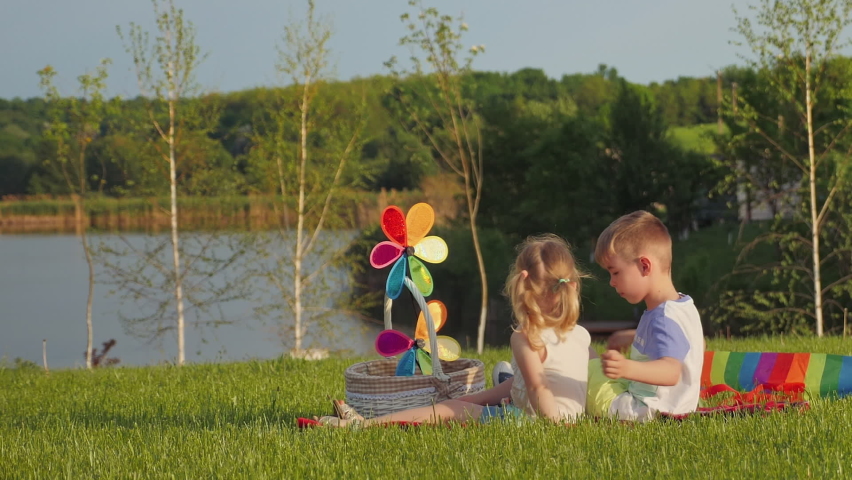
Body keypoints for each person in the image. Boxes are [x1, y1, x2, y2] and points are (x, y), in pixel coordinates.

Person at [319, 234, 591, 427]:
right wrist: (472, 399)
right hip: (566, 415)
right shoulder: (580, 334)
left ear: (522, 284)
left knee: (451, 410)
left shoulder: (525, 337)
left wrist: (556, 427)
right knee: (470, 402)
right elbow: (527, 384)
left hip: (538, 422)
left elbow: (537, 387)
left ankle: (364, 425)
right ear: (572, 284)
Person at [588, 210, 704, 422]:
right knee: (592, 363)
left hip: (644, 411)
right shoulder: (682, 306)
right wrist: (635, 337)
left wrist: (626, 367)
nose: (612, 282)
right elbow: (686, 344)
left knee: (588, 368)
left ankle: (525, 390)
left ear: (644, 265)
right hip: (671, 406)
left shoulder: (663, 318)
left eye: (615, 272)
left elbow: (670, 372)